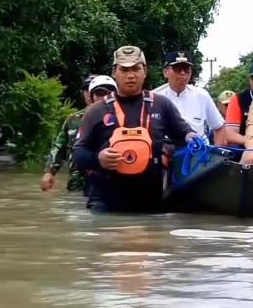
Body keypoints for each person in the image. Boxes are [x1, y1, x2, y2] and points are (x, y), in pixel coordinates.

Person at [73, 46, 196, 212]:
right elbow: (79, 153)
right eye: (124, 70)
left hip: (150, 202)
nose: (130, 75)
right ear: (114, 72)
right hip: (105, 203)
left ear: (144, 71)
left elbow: (183, 133)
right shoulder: (96, 110)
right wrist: (98, 159)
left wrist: (192, 137)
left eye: (136, 69)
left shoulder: (161, 104)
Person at [153, 51, 226, 145]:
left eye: (186, 69)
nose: (183, 73)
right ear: (166, 72)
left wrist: (215, 154)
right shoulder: (154, 97)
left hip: (197, 150)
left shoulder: (201, 95)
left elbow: (219, 127)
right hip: (165, 150)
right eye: (178, 69)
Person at [40, 74, 97, 192]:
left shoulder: (116, 118)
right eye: (87, 89)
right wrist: (49, 172)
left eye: (98, 91)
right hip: (77, 183)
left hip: (106, 182)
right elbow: (59, 146)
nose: (91, 93)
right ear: (84, 93)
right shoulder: (73, 120)